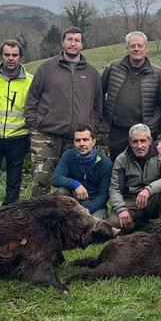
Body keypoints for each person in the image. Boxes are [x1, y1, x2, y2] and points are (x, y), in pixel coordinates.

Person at [24, 27, 104, 196]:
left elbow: (98, 105)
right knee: (41, 181)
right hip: (46, 135)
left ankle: (67, 219)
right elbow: (32, 99)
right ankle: (36, 219)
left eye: (76, 40)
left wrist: (92, 128)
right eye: (69, 39)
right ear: (63, 42)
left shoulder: (92, 73)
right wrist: (35, 126)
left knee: (74, 183)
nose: (72, 43)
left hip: (76, 139)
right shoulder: (46, 68)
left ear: (82, 45)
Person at [0, 40, 32, 209]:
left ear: (20, 57)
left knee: (14, 181)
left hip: (18, 138)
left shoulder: (30, 81)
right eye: (7, 55)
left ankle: (9, 217)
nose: (10, 58)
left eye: (14, 55)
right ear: (1, 56)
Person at [100, 31, 161, 154]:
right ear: (127, 48)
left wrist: (153, 126)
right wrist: (105, 118)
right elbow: (98, 94)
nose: (136, 49)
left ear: (146, 48)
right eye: (132, 46)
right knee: (116, 167)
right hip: (116, 131)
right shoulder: (113, 68)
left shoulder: (157, 73)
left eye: (140, 46)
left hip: (142, 134)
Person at [107, 123, 161, 230]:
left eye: (143, 141)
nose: (139, 146)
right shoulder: (121, 159)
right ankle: (138, 225)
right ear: (130, 142)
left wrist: (149, 190)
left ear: (150, 140)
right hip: (131, 200)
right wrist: (121, 209)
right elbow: (115, 188)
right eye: (135, 141)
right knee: (113, 223)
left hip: (154, 198)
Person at [50, 126, 113, 217]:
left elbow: (103, 195)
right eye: (78, 140)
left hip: (94, 204)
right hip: (73, 199)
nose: (81, 143)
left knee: (93, 227)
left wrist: (88, 210)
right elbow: (55, 179)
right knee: (61, 191)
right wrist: (76, 184)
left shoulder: (105, 163)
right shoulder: (68, 155)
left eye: (85, 139)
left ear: (93, 142)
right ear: (74, 142)